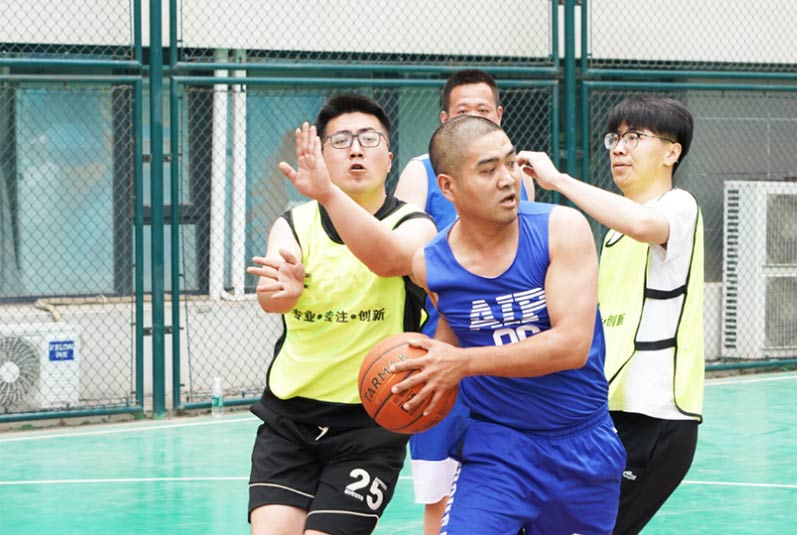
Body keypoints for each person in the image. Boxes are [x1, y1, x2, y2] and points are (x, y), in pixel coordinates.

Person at [391, 115, 625, 535]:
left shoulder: (560, 229)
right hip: (498, 446)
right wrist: (416, 384)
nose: (507, 179)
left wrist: (462, 364)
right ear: (447, 187)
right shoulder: (430, 264)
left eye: (511, 163)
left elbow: (571, 345)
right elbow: (448, 342)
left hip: (581, 442)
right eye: (488, 170)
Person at [245, 93, 437, 535]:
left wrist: (328, 195)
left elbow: (390, 260)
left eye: (369, 139)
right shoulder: (294, 224)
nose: (355, 150)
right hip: (290, 420)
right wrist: (283, 291)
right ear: (322, 156)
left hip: (370, 425)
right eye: (341, 140)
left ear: (389, 159)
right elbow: (271, 296)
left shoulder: (415, 225)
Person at [517, 95, 704, 534]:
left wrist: (558, 181)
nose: (619, 148)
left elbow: (643, 224)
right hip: (607, 411)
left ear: (671, 152)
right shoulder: (614, 237)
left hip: (656, 415)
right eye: (614, 138)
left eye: (634, 137)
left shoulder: (679, 206)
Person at [392, 68, 535, 535]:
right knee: (441, 492)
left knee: (523, 487)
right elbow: (402, 253)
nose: (473, 116)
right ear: (443, 119)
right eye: (462, 110)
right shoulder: (420, 171)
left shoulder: (517, 178)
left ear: (499, 116)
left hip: (508, 350)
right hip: (445, 349)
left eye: (483, 110)